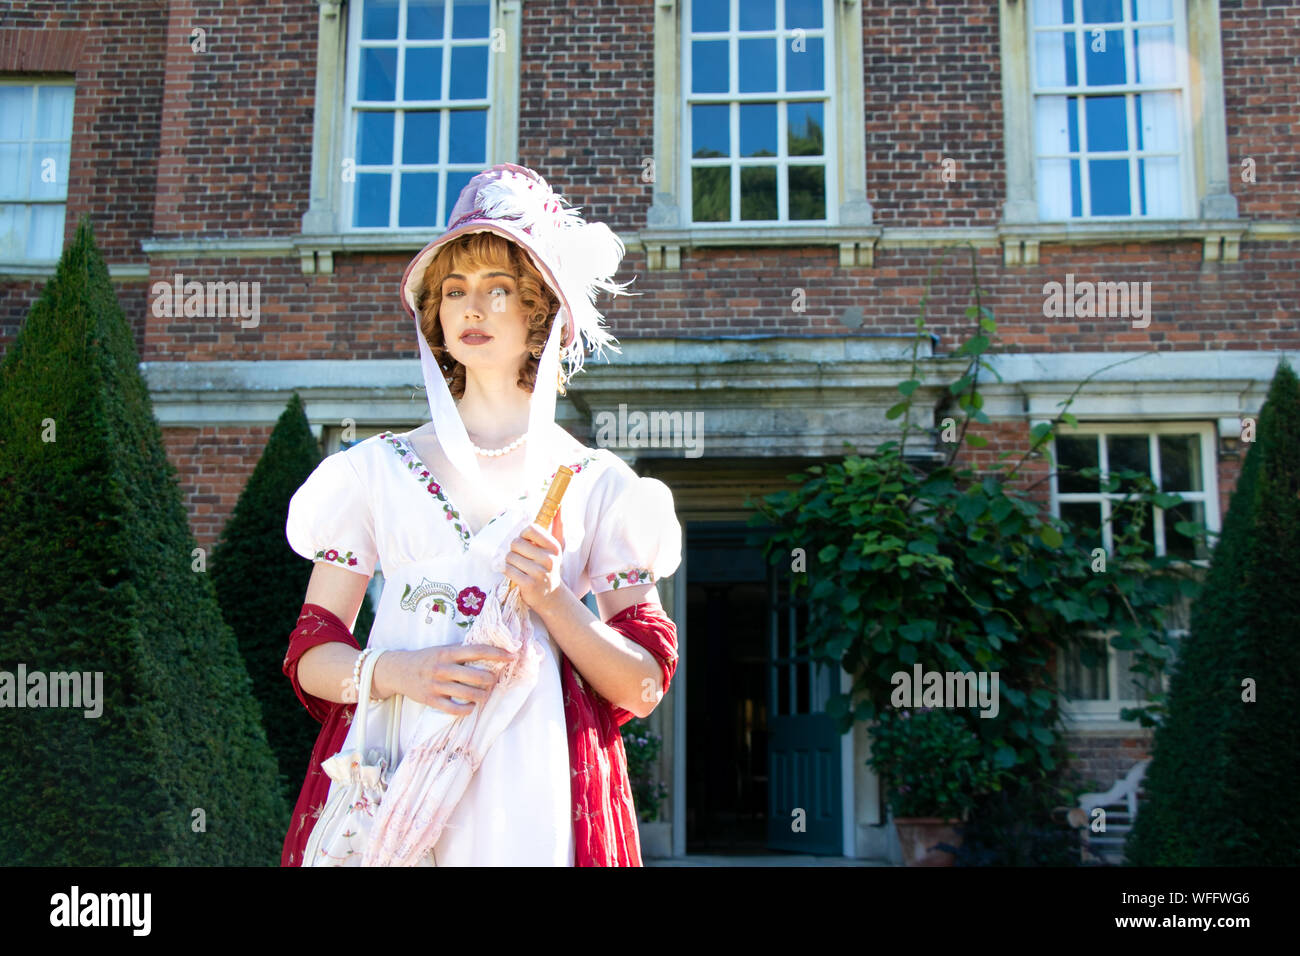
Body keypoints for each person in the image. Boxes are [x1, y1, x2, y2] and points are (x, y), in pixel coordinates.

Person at [280, 164, 682, 866]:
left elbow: (642, 685)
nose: (473, 307)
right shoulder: (369, 473)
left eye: (501, 290)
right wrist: (399, 672)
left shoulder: (598, 485)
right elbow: (311, 656)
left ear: (542, 315)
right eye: (455, 290)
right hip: (392, 771)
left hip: (537, 790)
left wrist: (555, 601)